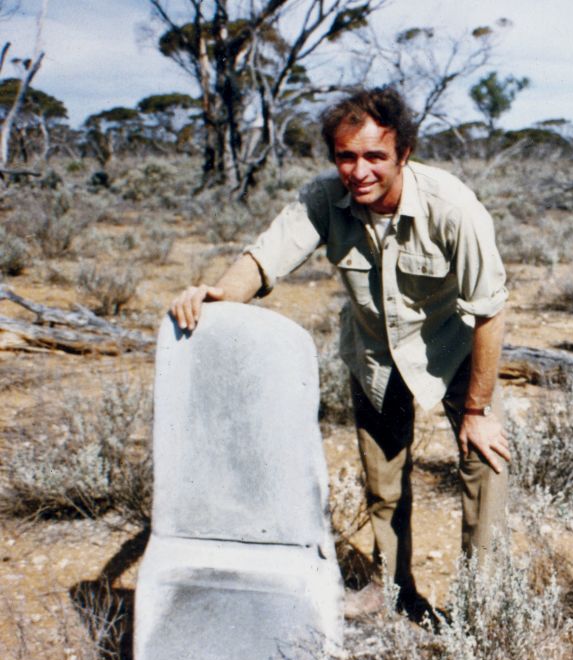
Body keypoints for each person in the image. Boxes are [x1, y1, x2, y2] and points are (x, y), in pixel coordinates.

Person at [170, 87, 510, 618]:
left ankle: (482, 611)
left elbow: (490, 311)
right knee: (384, 482)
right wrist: (217, 295)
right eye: (346, 156)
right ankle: (393, 592)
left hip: (455, 349)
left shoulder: (453, 208)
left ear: (403, 155)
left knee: (484, 470)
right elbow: (264, 259)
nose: (360, 171)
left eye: (375, 156)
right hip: (375, 354)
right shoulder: (325, 199)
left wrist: (476, 410)